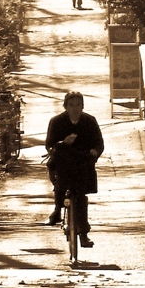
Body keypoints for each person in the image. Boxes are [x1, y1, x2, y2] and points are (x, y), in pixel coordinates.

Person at [45, 91, 104, 247]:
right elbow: (49, 144)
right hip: (62, 161)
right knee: (60, 184)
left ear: (83, 106)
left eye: (78, 105)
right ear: (65, 107)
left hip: (82, 162)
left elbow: (99, 143)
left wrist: (95, 152)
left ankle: (83, 234)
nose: (75, 109)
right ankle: (57, 210)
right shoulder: (56, 122)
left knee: (81, 197)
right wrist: (63, 143)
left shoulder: (90, 121)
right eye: (71, 105)